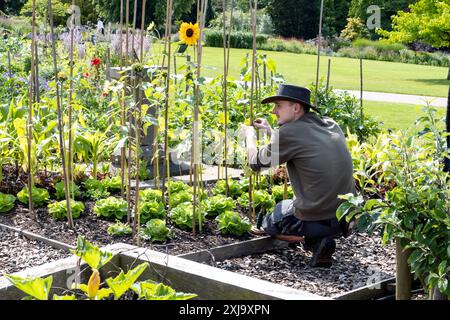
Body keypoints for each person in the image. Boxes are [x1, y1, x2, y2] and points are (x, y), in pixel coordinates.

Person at [243, 84, 356, 268]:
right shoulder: (330, 125)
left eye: (279, 105)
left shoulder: (290, 133)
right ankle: (322, 239)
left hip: (315, 218)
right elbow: (299, 143)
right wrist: (271, 132)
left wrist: (249, 137)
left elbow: (255, 163)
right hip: (345, 217)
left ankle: (313, 240)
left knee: (272, 220)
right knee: (292, 210)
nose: (274, 111)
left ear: (296, 108)